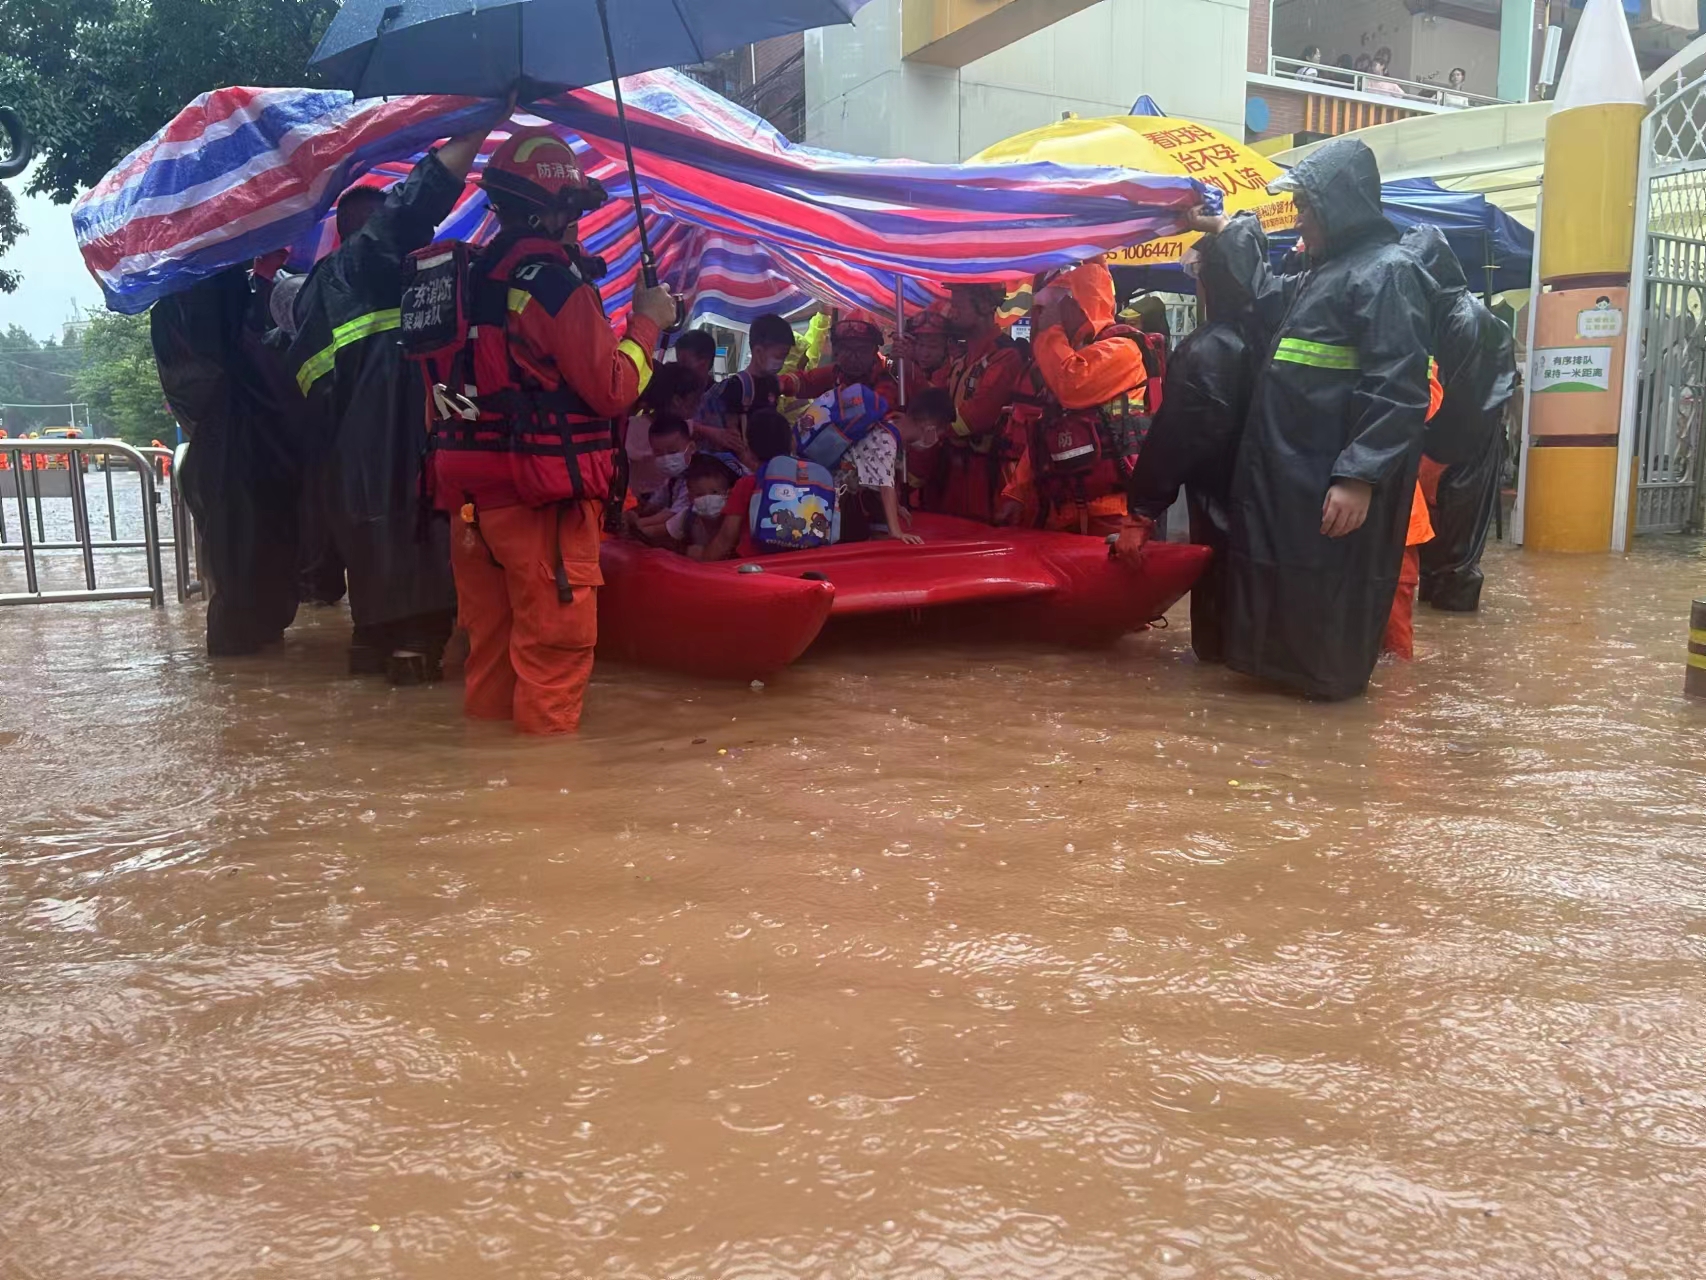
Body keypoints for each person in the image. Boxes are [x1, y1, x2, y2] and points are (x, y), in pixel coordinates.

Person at [424, 126, 676, 734]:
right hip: (540, 501)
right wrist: (648, 324)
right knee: (554, 656)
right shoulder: (555, 285)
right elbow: (614, 388)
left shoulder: (461, 279)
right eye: (579, 211)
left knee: (490, 651)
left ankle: (491, 785)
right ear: (560, 210)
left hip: (469, 503)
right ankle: (546, 808)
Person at [1188, 136, 1434, 701]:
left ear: (1337, 206)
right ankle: (1286, 700)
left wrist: (1359, 475)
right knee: (1292, 591)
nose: (1298, 216)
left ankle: (1322, 707)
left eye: (1305, 205)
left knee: (1329, 597)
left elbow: (1397, 383)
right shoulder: (1325, 274)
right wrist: (1224, 229)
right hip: (1295, 475)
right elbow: (1264, 298)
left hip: (1330, 477)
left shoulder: (1385, 273)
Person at [288, 124, 488, 683]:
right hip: (401, 463)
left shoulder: (315, 294)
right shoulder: (368, 261)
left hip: (346, 476)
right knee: (418, 634)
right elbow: (412, 203)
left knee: (374, 623)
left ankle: (377, 661)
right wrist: (481, 124)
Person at [1120, 241, 1262, 664]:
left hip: (1222, 510)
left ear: (1210, 280)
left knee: (1223, 636)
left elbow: (1176, 437)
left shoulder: (1208, 350)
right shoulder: (1279, 331)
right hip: (1282, 510)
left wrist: (1141, 513)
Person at [152, 262, 304, 656]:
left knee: (242, 570)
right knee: (248, 565)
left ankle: (247, 659)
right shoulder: (212, 318)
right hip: (236, 456)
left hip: (223, 455)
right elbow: (238, 346)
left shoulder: (175, 313)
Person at [1402, 226, 1517, 612]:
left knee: (1457, 550)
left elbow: (1471, 404)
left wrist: (1434, 460)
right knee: (1438, 546)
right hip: (1447, 447)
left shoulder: (1468, 321)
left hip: (1463, 451)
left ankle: (1455, 621)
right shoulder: (1442, 316)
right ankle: (1440, 619)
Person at [997, 260, 1148, 536]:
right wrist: (1016, 493)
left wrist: (1049, 332)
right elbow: (1047, 430)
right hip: (1064, 510)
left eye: (1055, 304)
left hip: (1113, 514)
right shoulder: (1067, 356)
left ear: (1078, 305)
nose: (1045, 314)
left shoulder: (1123, 351)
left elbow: (1072, 387)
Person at [920, 283, 1026, 522]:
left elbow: (974, 418)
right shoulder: (961, 359)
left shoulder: (1005, 356)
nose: (951, 310)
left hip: (987, 480)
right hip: (954, 475)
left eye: (958, 304)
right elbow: (932, 398)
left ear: (987, 305)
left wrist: (923, 428)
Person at [699, 409, 806, 562]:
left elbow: (724, 540)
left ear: (750, 449)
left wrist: (701, 568)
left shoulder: (747, 484)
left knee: (695, 551)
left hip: (755, 567)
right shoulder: (806, 479)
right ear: (791, 443)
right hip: (800, 562)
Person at [700, 312, 794, 451]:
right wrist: (752, 464)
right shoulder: (738, 386)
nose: (781, 362)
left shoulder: (773, 382)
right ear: (758, 352)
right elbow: (733, 437)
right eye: (779, 356)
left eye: (785, 356)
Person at [779, 315, 900, 407]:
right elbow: (805, 381)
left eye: (862, 350)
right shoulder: (836, 373)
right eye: (846, 350)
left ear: (874, 351)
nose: (853, 358)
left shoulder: (890, 375)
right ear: (836, 351)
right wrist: (776, 384)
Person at [626, 415, 696, 545]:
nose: (666, 458)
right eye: (659, 453)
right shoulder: (672, 479)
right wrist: (635, 512)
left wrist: (637, 524)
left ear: (691, 448)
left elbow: (671, 515)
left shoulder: (698, 476)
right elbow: (654, 504)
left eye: (673, 451)